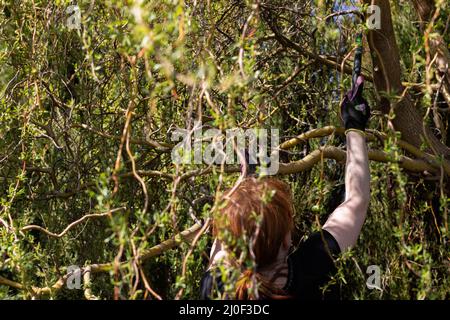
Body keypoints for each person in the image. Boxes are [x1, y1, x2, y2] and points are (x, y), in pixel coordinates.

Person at [200, 76, 371, 300]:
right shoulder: (312, 267)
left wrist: (249, 178)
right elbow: (356, 201)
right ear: (286, 240)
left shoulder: (217, 289)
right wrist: (354, 125)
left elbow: (222, 247)